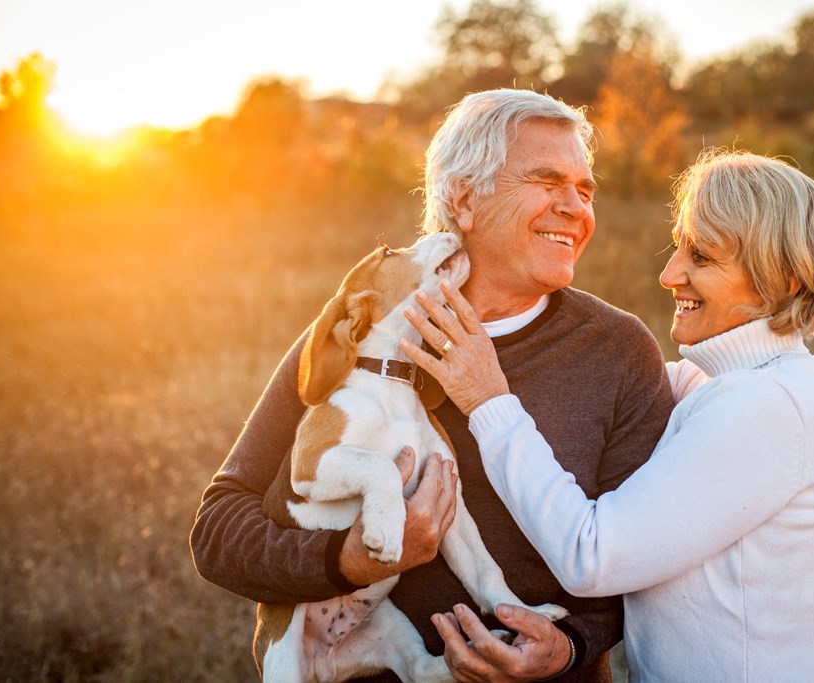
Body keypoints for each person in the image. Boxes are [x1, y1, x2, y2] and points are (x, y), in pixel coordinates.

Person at [190, 88, 675, 682]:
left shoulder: (618, 351)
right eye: (548, 182)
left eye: (584, 189)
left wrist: (568, 645)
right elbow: (217, 531)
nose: (575, 207)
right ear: (464, 200)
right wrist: (344, 563)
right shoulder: (360, 337)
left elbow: (644, 558)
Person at [402, 149, 814, 682]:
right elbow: (617, 377)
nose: (670, 274)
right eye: (678, 249)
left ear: (781, 280)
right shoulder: (733, 386)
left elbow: (592, 556)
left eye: (703, 258)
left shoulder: (766, 407)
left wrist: (487, 399)